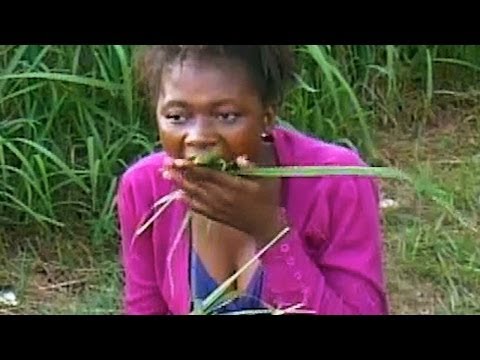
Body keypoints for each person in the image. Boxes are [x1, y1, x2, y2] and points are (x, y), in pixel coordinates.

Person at [116, 45, 388, 315]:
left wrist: (270, 232)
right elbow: (145, 308)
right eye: (177, 117)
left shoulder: (336, 181)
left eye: (226, 115)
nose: (198, 136)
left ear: (267, 117)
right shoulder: (145, 188)